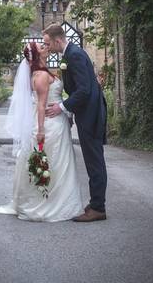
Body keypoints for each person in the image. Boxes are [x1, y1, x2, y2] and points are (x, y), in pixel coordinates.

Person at [0, 42, 85, 222]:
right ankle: (46, 204)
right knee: (50, 162)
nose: (46, 47)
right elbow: (41, 105)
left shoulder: (45, 71)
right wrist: (40, 131)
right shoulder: (40, 75)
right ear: (36, 55)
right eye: (41, 47)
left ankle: (61, 201)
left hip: (58, 122)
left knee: (59, 163)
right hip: (48, 124)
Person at [43, 24, 109, 222]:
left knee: (94, 160)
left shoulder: (75, 55)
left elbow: (84, 90)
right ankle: (96, 203)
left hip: (91, 114)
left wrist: (61, 107)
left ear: (57, 40)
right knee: (92, 159)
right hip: (86, 112)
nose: (47, 47)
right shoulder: (70, 54)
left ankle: (98, 208)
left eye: (48, 43)